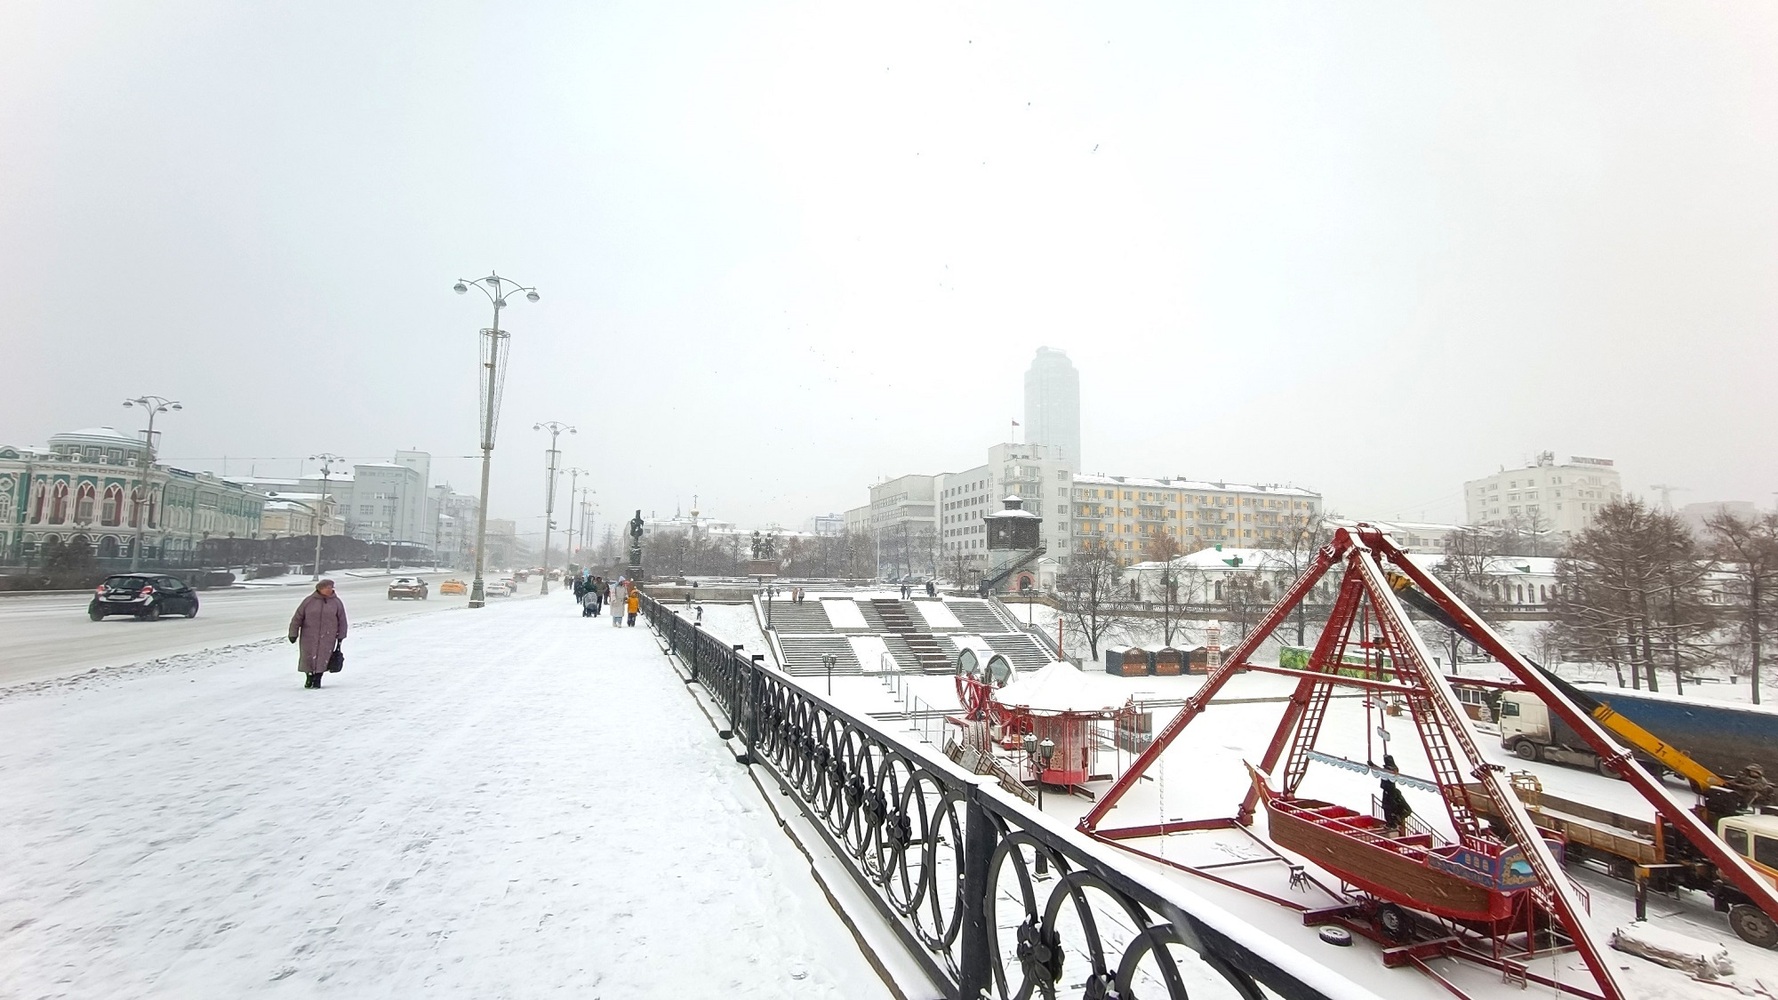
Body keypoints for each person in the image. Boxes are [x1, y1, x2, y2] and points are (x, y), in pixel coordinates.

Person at [288, 578, 348, 689]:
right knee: (308, 657)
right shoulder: (308, 601)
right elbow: (297, 618)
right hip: (308, 636)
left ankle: (318, 678)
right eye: (327, 588)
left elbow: (342, 620)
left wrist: (341, 636)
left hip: (328, 636)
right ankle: (309, 676)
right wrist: (293, 633)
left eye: (331, 587)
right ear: (320, 588)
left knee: (323, 657)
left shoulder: (336, 602)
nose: (330, 590)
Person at [1379, 754, 1412, 836]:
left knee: (1388, 809)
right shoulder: (1390, 769)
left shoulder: (1391, 770)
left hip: (1389, 793)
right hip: (1388, 792)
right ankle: (1391, 824)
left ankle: (1392, 825)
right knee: (1387, 809)